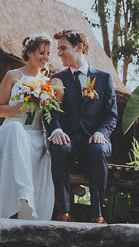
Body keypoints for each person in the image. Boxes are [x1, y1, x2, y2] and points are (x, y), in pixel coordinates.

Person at [0, 34, 60, 220]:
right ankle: (23, 193)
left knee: (46, 156)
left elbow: (53, 114)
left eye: (48, 54)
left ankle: (33, 214)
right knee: (17, 131)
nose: (46, 57)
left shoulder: (48, 83)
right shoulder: (12, 76)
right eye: (42, 53)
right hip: (11, 130)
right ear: (30, 53)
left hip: (36, 134)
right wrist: (21, 107)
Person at [46, 30, 117, 223]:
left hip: (94, 139)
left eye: (63, 48)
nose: (59, 53)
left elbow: (111, 115)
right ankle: (64, 211)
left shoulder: (103, 78)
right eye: (58, 49)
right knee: (58, 147)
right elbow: (50, 111)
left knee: (98, 150)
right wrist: (56, 130)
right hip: (69, 139)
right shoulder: (57, 78)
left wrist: (101, 133)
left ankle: (97, 214)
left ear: (79, 48)